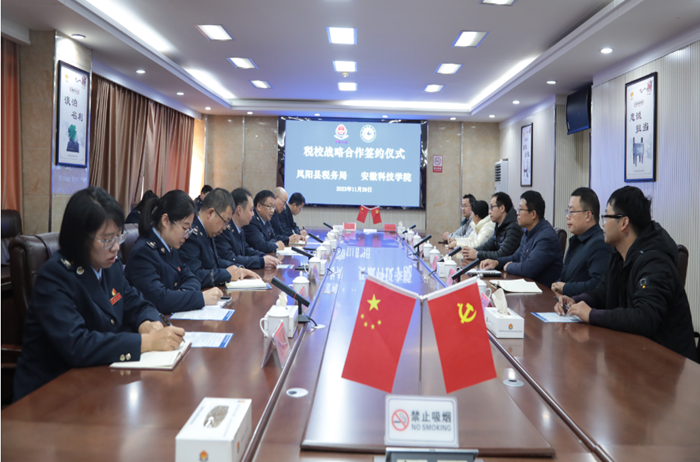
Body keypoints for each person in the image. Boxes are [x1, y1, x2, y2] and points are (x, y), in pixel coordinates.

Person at [13, 187, 185, 401]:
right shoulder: (55, 276)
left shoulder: (110, 266)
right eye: (107, 240)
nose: (115, 247)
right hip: (50, 394)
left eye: (118, 237)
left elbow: (136, 302)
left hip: (98, 381)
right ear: (80, 237)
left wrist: (147, 323)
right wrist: (146, 342)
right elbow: (77, 345)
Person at [554, 186, 698, 361]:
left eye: (607, 217)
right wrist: (576, 300)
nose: (603, 223)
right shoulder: (619, 254)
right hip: (632, 352)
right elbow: (602, 292)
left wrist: (591, 314)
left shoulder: (655, 261)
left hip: (667, 361)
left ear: (623, 223)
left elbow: (644, 318)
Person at [124, 190, 223, 313]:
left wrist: (180, 295)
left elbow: (192, 278)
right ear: (165, 220)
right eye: (184, 228)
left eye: (189, 230)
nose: (187, 236)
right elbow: (160, 300)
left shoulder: (170, 246)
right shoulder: (144, 252)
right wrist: (200, 298)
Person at [179, 187, 259, 288]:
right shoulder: (191, 235)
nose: (225, 228)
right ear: (210, 213)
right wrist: (227, 274)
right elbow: (195, 274)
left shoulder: (208, 231)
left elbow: (216, 261)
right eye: (224, 222)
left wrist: (237, 269)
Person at [481, 190, 563, 286]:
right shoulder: (528, 232)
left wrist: (508, 266)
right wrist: (496, 262)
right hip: (528, 286)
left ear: (533, 214)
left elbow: (528, 269)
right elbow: (516, 257)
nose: (517, 213)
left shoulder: (546, 237)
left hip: (543, 291)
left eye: (520, 210)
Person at [551, 187, 613, 297]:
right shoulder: (577, 240)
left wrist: (565, 288)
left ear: (588, 215)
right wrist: (557, 285)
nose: (567, 216)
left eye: (572, 212)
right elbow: (567, 277)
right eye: (568, 211)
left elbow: (598, 285)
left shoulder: (600, 244)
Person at [215, 188, 281, 270]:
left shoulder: (240, 228)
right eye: (251, 210)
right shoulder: (224, 230)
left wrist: (264, 256)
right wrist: (260, 261)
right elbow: (230, 258)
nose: (253, 214)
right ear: (239, 210)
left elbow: (246, 250)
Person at [463, 192, 523, 261]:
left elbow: (502, 254)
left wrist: (477, 254)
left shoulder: (514, 228)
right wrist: (470, 251)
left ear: (502, 208)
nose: (489, 212)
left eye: (492, 207)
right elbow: (487, 246)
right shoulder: (499, 225)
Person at [244, 190, 285, 254]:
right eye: (270, 206)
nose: (272, 211)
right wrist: (276, 246)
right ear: (259, 206)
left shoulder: (266, 219)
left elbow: (273, 237)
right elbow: (261, 245)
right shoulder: (252, 220)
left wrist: (269, 244)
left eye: (273, 207)